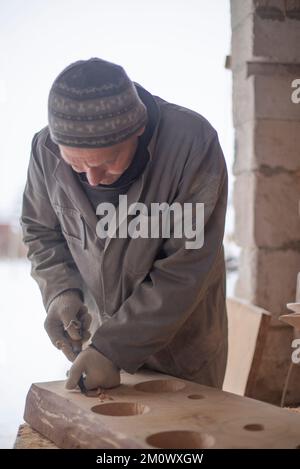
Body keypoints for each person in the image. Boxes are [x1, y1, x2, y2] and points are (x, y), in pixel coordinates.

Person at [20, 57, 228, 391]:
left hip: (181, 347)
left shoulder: (192, 145)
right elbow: (41, 231)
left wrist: (113, 348)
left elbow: (185, 267)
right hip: (100, 340)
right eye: (76, 165)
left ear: (139, 129)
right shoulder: (45, 150)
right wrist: (60, 291)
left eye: (106, 162)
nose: (93, 179)